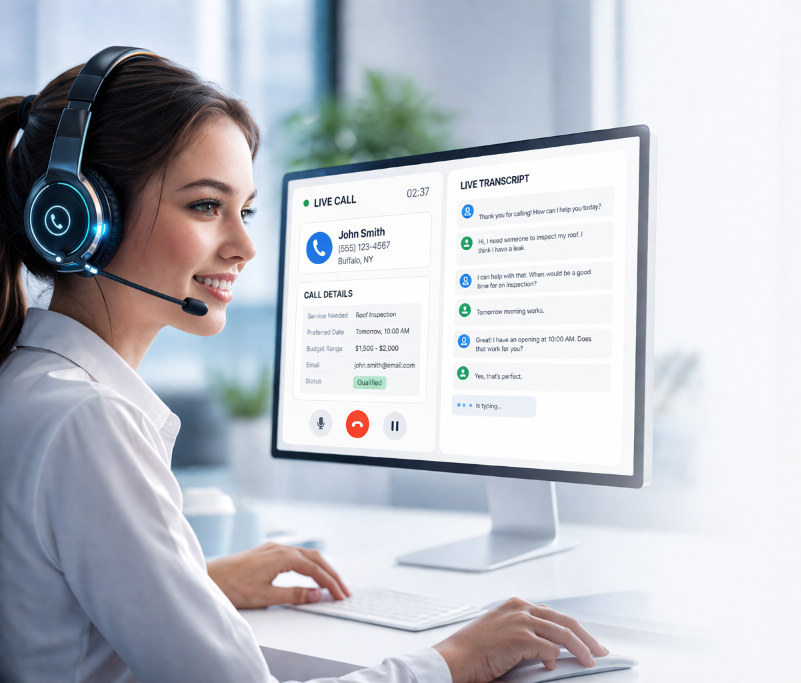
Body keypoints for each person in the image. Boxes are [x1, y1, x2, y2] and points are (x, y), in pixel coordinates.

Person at [0, 52, 607, 683]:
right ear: (76, 219)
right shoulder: (90, 421)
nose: (245, 246)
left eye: (246, 211)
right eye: (206, 206)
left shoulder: (27, 388)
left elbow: (48, 603)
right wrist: (451, 661)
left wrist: (197, 581)